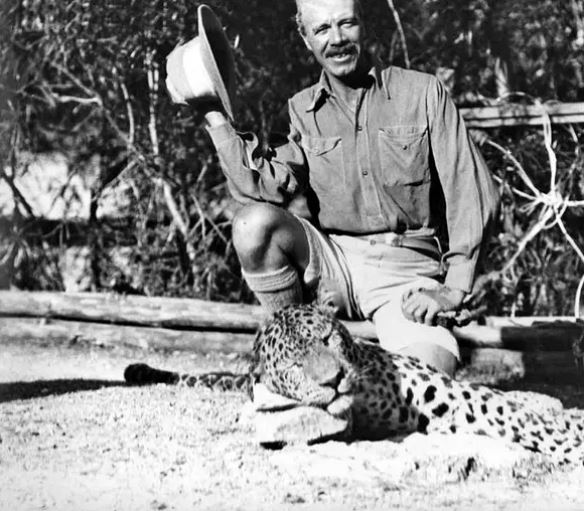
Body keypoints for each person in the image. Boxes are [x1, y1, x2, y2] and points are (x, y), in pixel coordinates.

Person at [169, 0, 498, 376]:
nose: (337, 39)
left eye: (346, 24)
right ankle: (296, 346)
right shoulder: (299, 110)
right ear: (305, 38)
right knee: (252, 224)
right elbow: (256, 193)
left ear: (364, 25)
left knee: (425, 386)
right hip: (333, 268)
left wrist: (453, 289)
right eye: (322, 29)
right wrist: (213, 114)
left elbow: (470, 192)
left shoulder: (423, 94)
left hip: (406, 276)